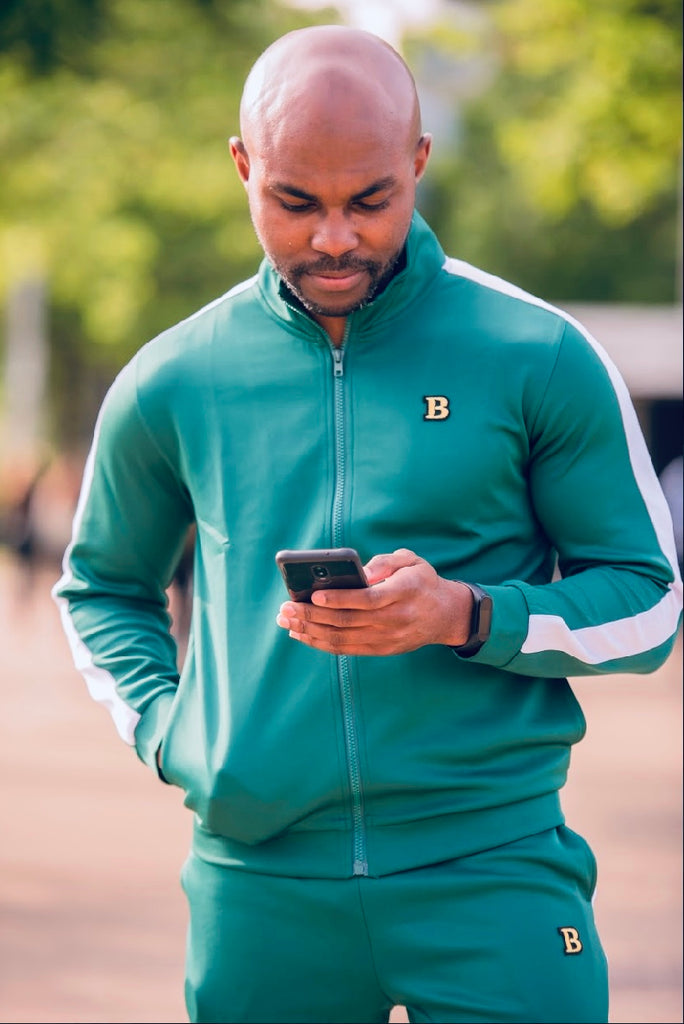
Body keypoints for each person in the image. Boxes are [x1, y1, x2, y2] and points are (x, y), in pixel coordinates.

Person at [52, 24, 683, 1024]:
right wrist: (176, 735)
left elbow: (648, 604)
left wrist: (468, 615)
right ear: (243, 166)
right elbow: (102, 589)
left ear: (418, 163)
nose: (334, 238)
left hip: (493, 869)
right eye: (295, 202)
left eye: (371, 200)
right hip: (260, 884)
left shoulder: (538, 353)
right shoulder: (173, 378)